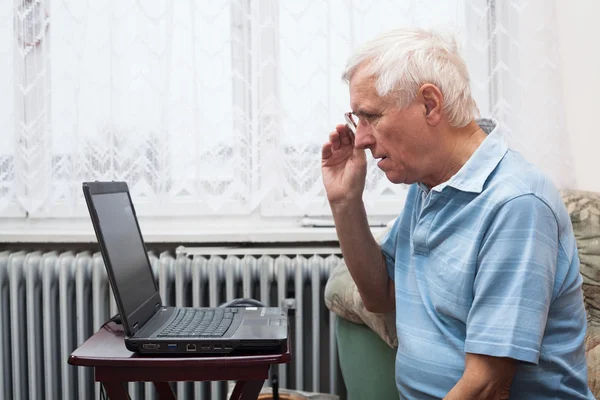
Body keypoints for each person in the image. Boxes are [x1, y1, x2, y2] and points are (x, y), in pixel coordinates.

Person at [321, 28, 594, 399]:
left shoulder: (516, 203)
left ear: (430, 104)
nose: (363, 139)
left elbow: (487, 384)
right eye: (358, 121)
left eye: (371, 117)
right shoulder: (429, 184)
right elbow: (381, 296)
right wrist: (345, 202)